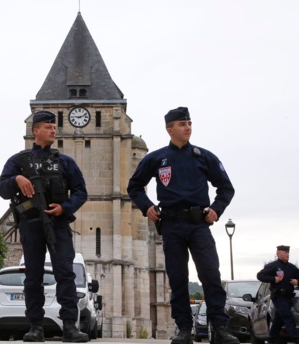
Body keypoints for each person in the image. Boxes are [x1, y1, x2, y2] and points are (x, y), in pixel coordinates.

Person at [127, 107, 238, 344]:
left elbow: (226, 188)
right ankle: (184, 329)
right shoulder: (156, 158)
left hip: (199, 225)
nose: (187, 127)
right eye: (182, 124)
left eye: (189, 123)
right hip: (171, 225)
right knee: (177, 278)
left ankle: (219, 327)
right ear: (170, 129)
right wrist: (146, 206)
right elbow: (134, 186)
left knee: (210, 275)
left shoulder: (203, 156)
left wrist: (216, 209)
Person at [0, 110, 89, 343]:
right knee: (33, 276)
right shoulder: (18, 161)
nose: (53, 130)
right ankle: (35, 326)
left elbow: (81, 192)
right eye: (48, 127)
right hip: (30, 224)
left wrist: (65, 208)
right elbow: (2, 189)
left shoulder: (64, 162)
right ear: (35, 130)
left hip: (57, 224)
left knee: (65, 274)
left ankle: (69, 326)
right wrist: (16, 179)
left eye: (54, 127)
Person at [256, 245, 299, 344]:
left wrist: (297, 282)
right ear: (278, 254)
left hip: (288, 297)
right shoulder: (273, 266)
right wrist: (273, 279)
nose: (287, 255)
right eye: (285, 253)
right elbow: (260, 275)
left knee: (278, 321)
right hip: (279, 296)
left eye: (288, 253)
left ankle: (271, 340)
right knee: (288, 317)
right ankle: (297, 339)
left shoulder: (292, 268)